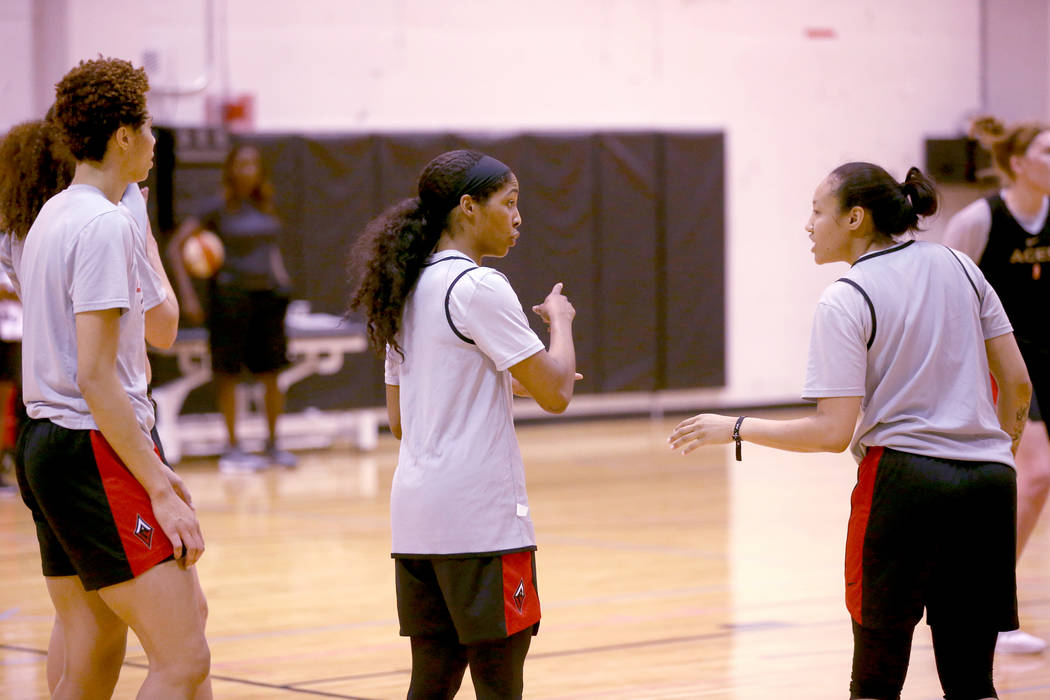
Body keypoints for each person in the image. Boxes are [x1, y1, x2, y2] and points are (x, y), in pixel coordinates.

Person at [669, 162, 1030, 699]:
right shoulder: (961, 265)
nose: (808, 224)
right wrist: (994, 452)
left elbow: (832, 431)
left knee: (876, 681)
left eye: (817, 210)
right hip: (990, 484)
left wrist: (737, 427)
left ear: (855, 218)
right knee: (973, 681)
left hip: (905, 485)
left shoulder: (848, 295)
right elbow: (1018, 385)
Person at [9, 57, 210, 698]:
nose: (156, 141)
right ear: (123, 135)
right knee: (183, 658)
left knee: (92, 653)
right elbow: (96, 376)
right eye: (149, 126)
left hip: (45, 441)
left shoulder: (53, 216)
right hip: (91, 441)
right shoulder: (101, 226)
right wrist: (161, 485)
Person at [348, 149, 578, 698]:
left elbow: (401, 419)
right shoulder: (479, 286)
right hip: (481, 525)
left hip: (417, 523)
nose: (519, 217)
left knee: (432, 682)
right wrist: (562, 325)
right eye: (510, 203)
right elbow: (558, 391)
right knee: (500, 686)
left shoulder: (403, 289)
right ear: (469, 207)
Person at [943, 116, 1050, 655]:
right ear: (1016, 162)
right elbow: (944, 299)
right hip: (1004, 368)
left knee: (1032, 483)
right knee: (1034, 477)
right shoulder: (978, 221)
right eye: (1048, 151)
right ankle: (987, 610)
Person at [168, 144, 297, 471]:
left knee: (271, 373)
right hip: (229, 299)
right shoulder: (217, 207)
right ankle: (233, 447)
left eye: (253, 163)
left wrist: (281, 280)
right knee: (229, 374)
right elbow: (174, 246)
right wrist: (188, 296)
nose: (247, 169)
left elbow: (271, 249)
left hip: (267, 298)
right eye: (241, 163)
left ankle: (272, 444)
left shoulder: (265, 205)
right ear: (230, 168)